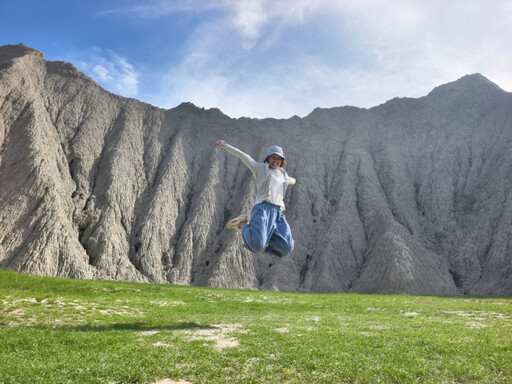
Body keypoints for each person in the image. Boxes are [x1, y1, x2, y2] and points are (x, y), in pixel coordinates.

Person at [216, 140, 296, 257]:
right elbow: (243, 156)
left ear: (282, 161)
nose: (275, 160)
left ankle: (268, 237)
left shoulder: (283, 174)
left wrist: (292, 181)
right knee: (256, 245)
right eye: (272, 157)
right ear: (268, 159)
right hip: (262, 209)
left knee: (287, 246)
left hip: (278, 213)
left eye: (278, 158)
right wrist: (225, 145)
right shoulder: (260, 169)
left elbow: (289, 180)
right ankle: (242, 223)